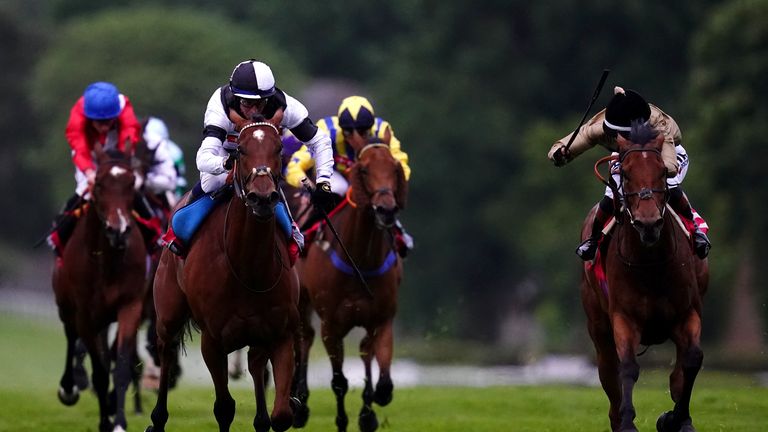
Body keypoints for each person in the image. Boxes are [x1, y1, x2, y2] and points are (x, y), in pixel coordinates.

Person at [163, 59, 335, 260]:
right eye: (247, 103)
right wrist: (227, 164)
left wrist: (323, 182)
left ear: (269, 98)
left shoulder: (285, 106)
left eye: (260, 103)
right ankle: (180, 231)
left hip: (262, 158)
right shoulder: (220, 106)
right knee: (211, 182)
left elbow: (320, 141)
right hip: (226, 153)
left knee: (267, 185)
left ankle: (291, 234)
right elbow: (203, 159)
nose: (254, 111)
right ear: (236, 97)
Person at [548, 86, 711, 261]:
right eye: (614, 134)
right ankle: (594, 239)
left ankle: (695, 230)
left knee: (668, 184)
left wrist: (649, 173)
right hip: (627, 157)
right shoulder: (600, 126)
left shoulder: (659, 125)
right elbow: (576, 139)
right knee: (613, 193)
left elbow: (669, 168)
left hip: (662, 152)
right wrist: (561, 153)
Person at [285, 95, 414, 257]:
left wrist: (389, 185)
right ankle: (307, 235)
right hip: (336, 178)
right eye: (348, 132)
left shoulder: (382, 131)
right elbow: (295, 166)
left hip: (370, 181)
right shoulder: (326, 130)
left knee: (383, 194)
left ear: (371, 127)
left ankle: (397, 231)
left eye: (362, 132)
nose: (355, 138)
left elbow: (401, 164)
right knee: (336, 188)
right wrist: (310, 188)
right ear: (340, 128)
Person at [47, 81, 142, 256]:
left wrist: (119, 167)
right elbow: (79, 148)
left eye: (108, 122)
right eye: (99, 123)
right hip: (90, 154)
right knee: (84, 189)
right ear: (89, 117)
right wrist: (90, 172)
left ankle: (154, 237)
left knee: (129, 187)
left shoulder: (124, 108)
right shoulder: (78, 115)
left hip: (117, 154)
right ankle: (58, 236)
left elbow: (129, 136)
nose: (104, 127)